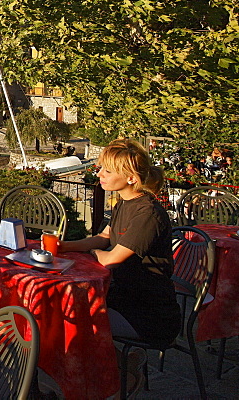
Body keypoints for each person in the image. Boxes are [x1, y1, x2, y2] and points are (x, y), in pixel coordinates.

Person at [60, 138, 181, 394]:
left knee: (73, 323)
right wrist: (63, 247)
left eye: (107, 170)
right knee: (63, 312)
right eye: (101, 167)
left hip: (148, 313)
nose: (100, 174)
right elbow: (104, 237)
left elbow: (112, 257)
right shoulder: (124, 203)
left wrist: (93, 252)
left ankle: (118, 374)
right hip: (123, 298)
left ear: (131, 178)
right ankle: (117, 366)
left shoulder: (148, 213)